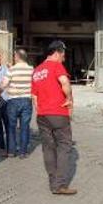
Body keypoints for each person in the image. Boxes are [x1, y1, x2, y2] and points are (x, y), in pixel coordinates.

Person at [32, 41, 76, 195]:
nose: (64, 56)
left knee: (48, 148)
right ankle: (60, 185)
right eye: (63, 53)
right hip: (58, 113)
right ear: (57, 52)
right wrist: (69, 99)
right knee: (64, 146)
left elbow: (34, 97)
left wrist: (41, 111)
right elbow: (64, 82)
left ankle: (53, 183)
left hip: (42, 115)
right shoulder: (56, 66)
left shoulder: (37, 71)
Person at [0, 49, 34, 158]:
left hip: (13, 101)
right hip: (27, 101)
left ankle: (11, 151)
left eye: (14, 56)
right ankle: (23, 152)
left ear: (18, 57)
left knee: (11, 127)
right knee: (25, 127)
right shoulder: (32, 69)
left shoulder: (12, 70)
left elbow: (4, 84)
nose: (14, 58)